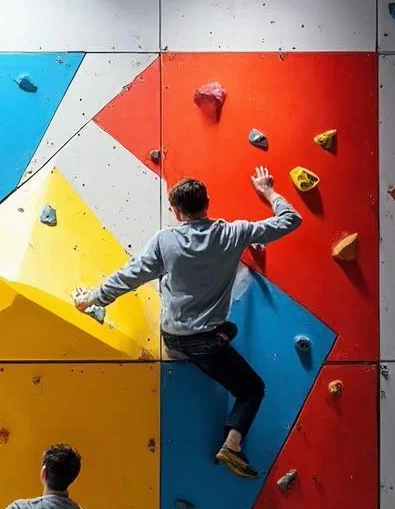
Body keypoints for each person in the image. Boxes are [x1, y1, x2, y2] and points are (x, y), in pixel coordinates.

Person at [74, 166, 302, 478]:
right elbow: (291, 220)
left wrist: (93, 298)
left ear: (177, 212)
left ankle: (199, 347)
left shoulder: (165, 241)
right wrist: (268, 191)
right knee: (252, 389)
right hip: (207, 343)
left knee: (224, 331)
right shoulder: (234, 233)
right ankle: (232, 444)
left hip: (174, 336)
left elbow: (131, 275)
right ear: (207, 203)